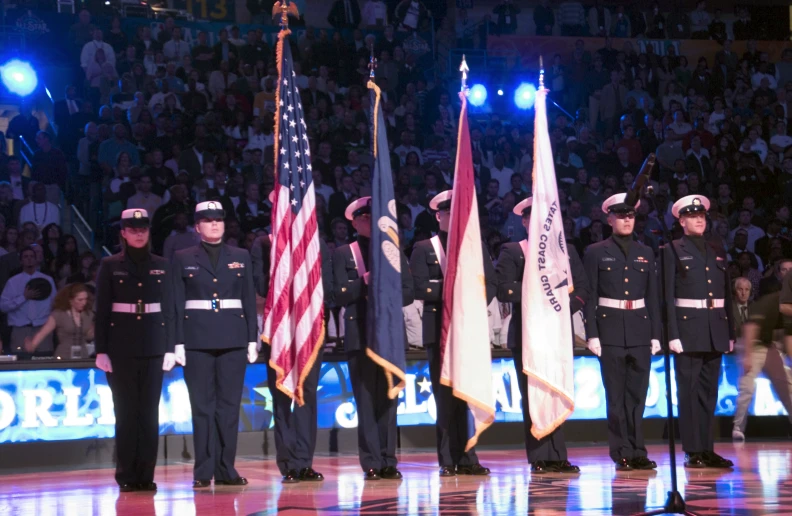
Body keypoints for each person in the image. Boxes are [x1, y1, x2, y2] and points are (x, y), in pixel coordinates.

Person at [495, 197, 590, 473]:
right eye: (530, 217)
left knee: (557, 392)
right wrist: (540, 300)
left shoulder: (566, 251)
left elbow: (582, 289)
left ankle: (559, 454)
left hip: (558, 333)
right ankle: (540, 456)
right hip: (528, 334)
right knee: (533, 394)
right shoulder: (514, 250)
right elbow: (503, 289)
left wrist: (560, 310)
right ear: (524, 222)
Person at [172, 201, 257, 488]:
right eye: (208, 221)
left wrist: (252, 338)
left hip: (233, 339)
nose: (215, 224)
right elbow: (174, 302)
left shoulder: (241, 255)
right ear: (197, 227)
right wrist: (177, 342)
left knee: (229, 408)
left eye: (219, 220)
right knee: (202, 407)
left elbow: (248, 299)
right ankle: (202, 471)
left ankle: (226, 469)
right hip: (196, 340)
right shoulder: (182, 257)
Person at [409, 191, 495, 477]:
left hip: (468, 328)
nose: (452, 217)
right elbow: (420, 287)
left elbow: (490, 285)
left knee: (468, 394)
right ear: (438, 215)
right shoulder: (424, 248)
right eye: (447, 212)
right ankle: (447, 459)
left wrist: (468, 298)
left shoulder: (475, 246)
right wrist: (452, 288)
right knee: (444, 396)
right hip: (438, 330)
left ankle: (469, 456)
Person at [252, 192, 335, 483]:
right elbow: (261, 285)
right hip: (279, 331)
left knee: (306, 395)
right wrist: (282, 259)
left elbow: (329, 288)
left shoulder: (317, 243)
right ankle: (288, 462)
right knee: (282, 396)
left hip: (309, 329)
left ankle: (305, 461)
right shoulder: (263, 245)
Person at [93, 209, 176, 492]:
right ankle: (127, 475)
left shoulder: (163, 265)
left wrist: (171, 347)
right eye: (133, 228)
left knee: (149, 413)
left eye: (143, 228)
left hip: (153, 346)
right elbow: (102, 311)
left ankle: (146, 475)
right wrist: (101, 350)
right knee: (126, 413)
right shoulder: (110, 264)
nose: (139, 232)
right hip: (120, 348)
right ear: (123, 233)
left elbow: (171, 310)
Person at [332, 196, 414, 480]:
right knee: (366, 400)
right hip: (360, 334)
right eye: (363, 217)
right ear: (353, 222)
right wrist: (364, 282)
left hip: (389, 334)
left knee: (389, 398)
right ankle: (371, 460)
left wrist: (387, 287)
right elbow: (335, 294)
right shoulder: (345, 253)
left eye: (372, 216)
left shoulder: (393, 250)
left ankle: (389, 459)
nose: (368, 221)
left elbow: (408, 292)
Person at [584, 194, 661, 472]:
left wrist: (655, 334)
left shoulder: (646, 251)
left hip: (640, 329)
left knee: (637, 396)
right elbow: (590, 294)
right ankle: (621, 451)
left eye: (631, 215)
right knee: (616, 397)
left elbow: (653, 296)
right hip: (610, 329)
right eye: (621, 215)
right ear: (609, 218)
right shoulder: (596, 251)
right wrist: (592, 334)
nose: (627, 220)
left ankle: (638, 449)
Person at [664, 195, 734, 469]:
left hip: (714, 327)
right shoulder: (672, 249)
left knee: (708, 394)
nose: (699, 219)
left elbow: (726, 292)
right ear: (681, 221)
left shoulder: (715, 248)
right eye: (693, 216)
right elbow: (667, 295)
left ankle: (707, 448)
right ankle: (693, 450)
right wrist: (672, 333)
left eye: (702, 216)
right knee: (689, 392)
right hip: (688, 329)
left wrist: (730, 330)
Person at [732, 267, 792, 441]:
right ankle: (738, 427)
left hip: (769, 345)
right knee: (747, 387)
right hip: (752, 343)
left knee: (787, 385)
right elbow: (751, 328)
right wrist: (748, 356)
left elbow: (788, 336)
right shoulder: (772, 301)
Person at [0, 245, 56, 355]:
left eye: (31, 256)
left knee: (45, 362)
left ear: (36, 260)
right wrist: (24, 297)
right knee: (20, 363)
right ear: (21, 261)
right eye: (25, 256)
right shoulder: (13, 282)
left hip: (43, 329)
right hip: (20, 330)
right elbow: (3, 306)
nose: (29, 258)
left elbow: (55, 304)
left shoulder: (48, 280)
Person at [24, 283, 94, 359]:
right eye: (80, 300)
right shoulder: (59, 315)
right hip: (63, 356)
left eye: (85, 299)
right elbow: (44, 332)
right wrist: (33, 344)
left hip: (83, 357)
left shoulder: (88, 314)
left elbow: (89, 336)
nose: (84, 303)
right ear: (70, 300)